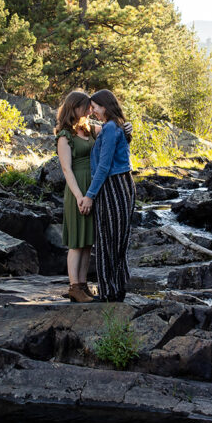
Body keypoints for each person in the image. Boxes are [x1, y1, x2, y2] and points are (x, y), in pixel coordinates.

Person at [78, 89, 135, 302]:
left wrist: (90, 195)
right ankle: (116, 288)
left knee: (107, 241)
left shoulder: (111, 128)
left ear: (105, 106)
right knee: (116, 240)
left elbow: (104, 166)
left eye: (94, 107)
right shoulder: (113, 126)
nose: (92, 112)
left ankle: (109, 292)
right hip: (121, 184)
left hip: (113, 185)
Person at [55, 90, 96, 303]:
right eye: (86, 106)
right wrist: (80, 196)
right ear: (75, 107)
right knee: (77, 242)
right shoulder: (65, 135)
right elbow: (66, 169)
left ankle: (83, 284)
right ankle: (74, 287)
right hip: (77, 189)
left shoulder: (88, 129)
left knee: (88, 241)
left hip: (92, 188)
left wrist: (127, 127)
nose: (90, 110)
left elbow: (110, 128)